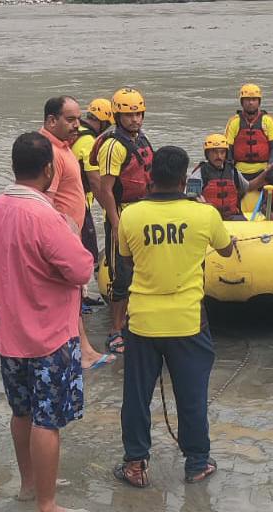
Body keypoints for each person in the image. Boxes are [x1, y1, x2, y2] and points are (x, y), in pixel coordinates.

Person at [0, 132, 92, 512]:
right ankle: (47, 507)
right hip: (50, 339)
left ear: (13, 166)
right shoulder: (46, 217)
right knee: (48, 421)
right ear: (48, 170)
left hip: (10, 335)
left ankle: (28, 486)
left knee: (21, 413)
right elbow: (81, 269)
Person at [113, 146, 234, 488]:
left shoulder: (131, 216)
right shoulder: (205, 215)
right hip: (187, 320)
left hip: (142, 321)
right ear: (185, 180)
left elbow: (127, 257)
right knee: (192, 395)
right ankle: (196, 462)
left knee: (136, 396)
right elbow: (225, 248)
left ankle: (135, 464)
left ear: (151, 177)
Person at [39, 96, 113, 370]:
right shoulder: (50, 152)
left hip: (71, 233)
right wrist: (62, 235)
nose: (76, 124)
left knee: (73, 295)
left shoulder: (64, 146)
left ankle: (82, 348)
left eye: (78, 118)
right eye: (70, 119)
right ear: (51, 120)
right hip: (61, 237)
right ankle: (82, 351)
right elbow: (47, 199)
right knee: (69, 295)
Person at [91, 88, 154, 355]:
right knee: (122, 276)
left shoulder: (140, 139)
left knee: (144, 271)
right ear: (118, 116)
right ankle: (116, 330)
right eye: (129, 115)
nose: (135, 119)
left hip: (144, 211)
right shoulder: (113, 145)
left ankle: (136, 321)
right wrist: (116, 223)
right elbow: (105, 189)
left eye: (138, 114)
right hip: (123, 214)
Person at [71, 97, 114, 266]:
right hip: (79, 202)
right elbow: (95, 182)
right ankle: (85, 288)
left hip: (65, 198)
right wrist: (111, 212)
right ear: (103, 123)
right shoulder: (89, 141)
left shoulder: (74, 130)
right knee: (89, 252)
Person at [188, 134, 263, 220]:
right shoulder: (198, 173)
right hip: (210, 218)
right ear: (207, 154)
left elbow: (249, 187)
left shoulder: (233, 171)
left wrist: (266, 174)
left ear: (226, 154)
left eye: (222, 152)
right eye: (214, 152)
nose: (219, 156)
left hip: (232, 216)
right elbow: (191, 198)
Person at [224, 83, 273, 180]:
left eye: (254, 100)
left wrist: (270, 165)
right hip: (239, 170)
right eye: (247, 100)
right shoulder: (234, 121)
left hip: (263, 170)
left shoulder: (268, 121)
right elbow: (227, 148)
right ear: (242, 102)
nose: (250, 103)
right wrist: (230, 167)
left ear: (259, 102)